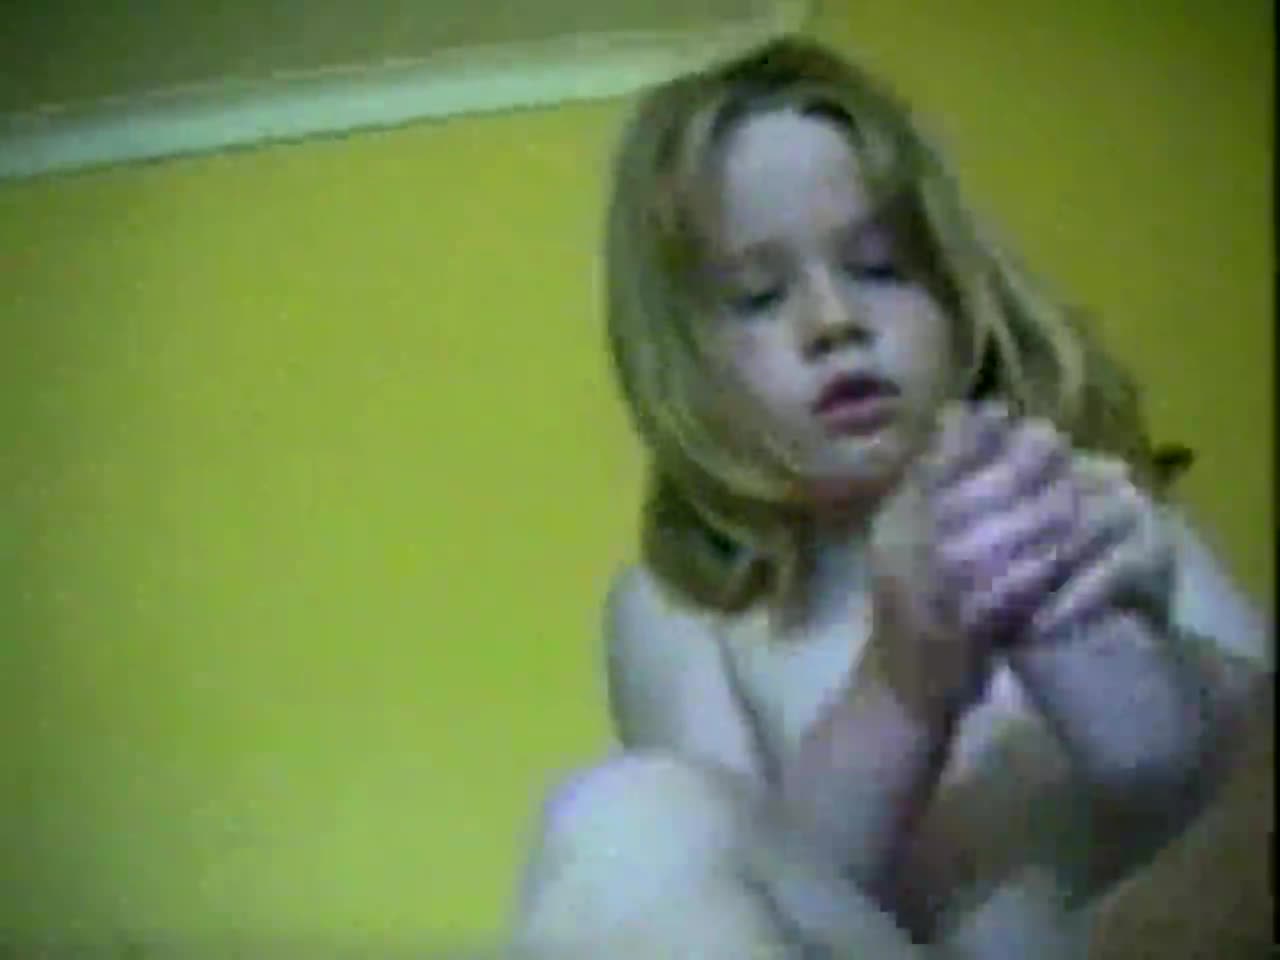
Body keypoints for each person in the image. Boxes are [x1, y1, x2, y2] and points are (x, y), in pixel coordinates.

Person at [507, 35, 1271, 958]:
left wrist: (1129, 649)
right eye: (757, 296)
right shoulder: (686, 614)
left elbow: (1231, 796)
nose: (834, 321)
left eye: (880, 267)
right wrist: (904, 677)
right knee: (629, 824)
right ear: (684, 370)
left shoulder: (1106, 515)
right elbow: (742, 877)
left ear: (961, 298)